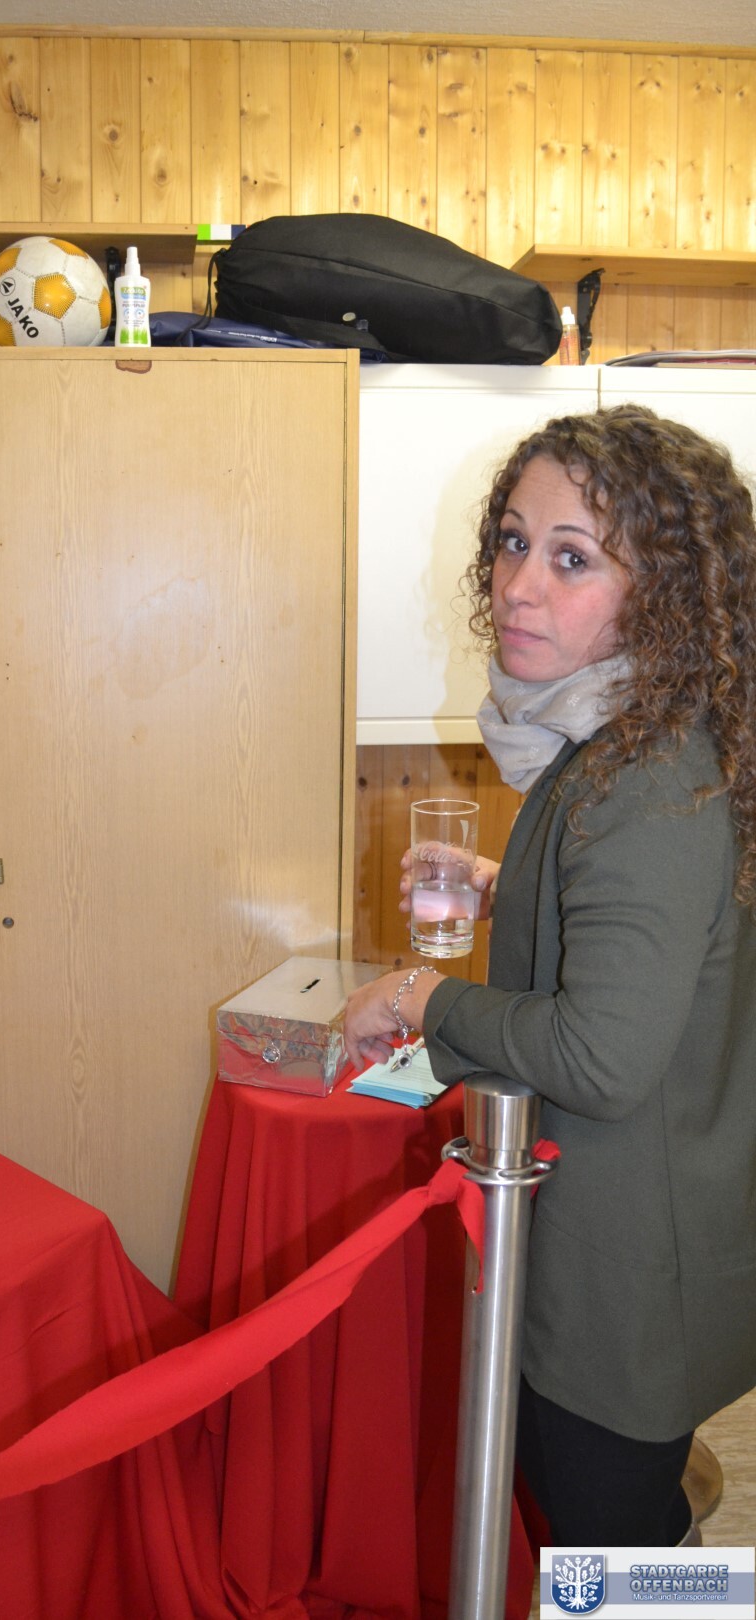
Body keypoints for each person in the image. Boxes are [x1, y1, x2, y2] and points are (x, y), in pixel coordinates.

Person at [343, 403, 756, 1549]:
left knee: (608, 1561)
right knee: (625, 1534)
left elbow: (601, 1056)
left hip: (625, 1282)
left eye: (573, 559)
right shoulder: (635, 741)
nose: (521, 586)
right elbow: (667, 945)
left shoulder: (642, 777)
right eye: (515, 543)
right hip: (641, 1247)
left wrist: (422, 998)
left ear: (664, 594)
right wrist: (506, 889)